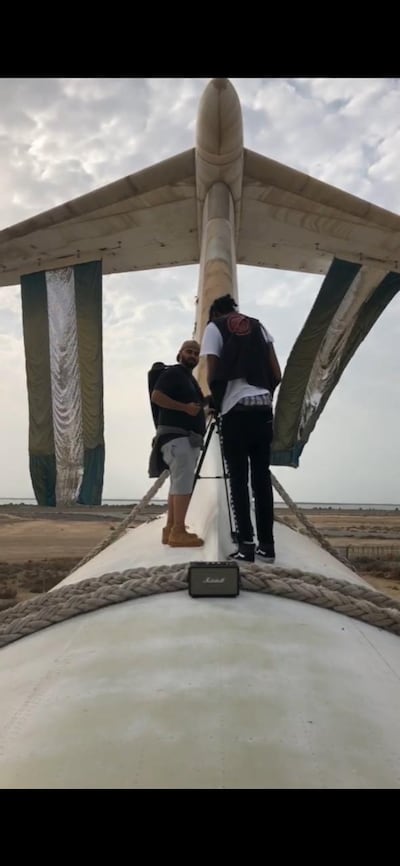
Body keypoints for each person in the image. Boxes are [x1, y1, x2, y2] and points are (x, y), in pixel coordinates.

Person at [200, 294, 282, 563]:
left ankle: (246, 546)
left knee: (238, 480)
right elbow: (277, 373)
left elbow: (211, 371)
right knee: (261, 479)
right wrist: (263, 392)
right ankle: (267, 547)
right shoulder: (259, 326)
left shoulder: (215, 327)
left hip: (236, 411)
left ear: (214, 314)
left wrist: (219, 400)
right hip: (263, 410)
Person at [150, 340, 206, 547]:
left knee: (178, 484)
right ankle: (179, 531)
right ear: (180, 353)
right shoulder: (173, 373)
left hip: (182, 440)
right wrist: (184, 408)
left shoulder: (188, 380)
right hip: (178, 439)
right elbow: (157, 396)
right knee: (183, 484)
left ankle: (171, 528)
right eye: (189, 351)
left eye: (196, 353)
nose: (192, 355)